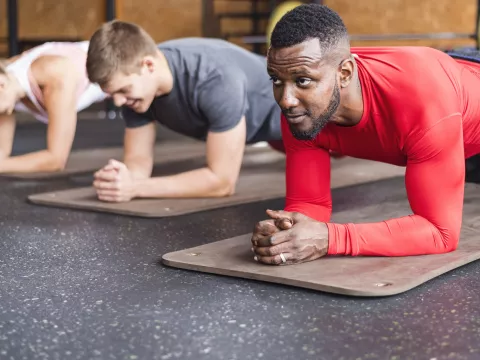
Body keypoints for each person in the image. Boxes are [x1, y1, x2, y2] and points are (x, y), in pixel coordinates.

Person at [251, 3, 480, 265]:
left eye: (302, 80)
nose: (286, 100)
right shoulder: (302, 109)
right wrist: (288, 231)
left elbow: (441, 234)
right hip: (451, 106)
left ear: (345, 73)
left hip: (453, 93)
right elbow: (309, 203)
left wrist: (330, 238)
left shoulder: (423, 101)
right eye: (276, 80)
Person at [85, 20, 285, 202]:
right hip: (268, 132)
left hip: (303, 127)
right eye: (112, 95)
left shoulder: (214, 78)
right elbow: (138, 163)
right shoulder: (136, 92)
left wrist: (136, 187)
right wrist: (120, 179)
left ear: (149, 65)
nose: (119, 102)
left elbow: (222, 182)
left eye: (123, 90)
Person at [0, 41, 107, 173]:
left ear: (1, 85)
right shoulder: (8, 85)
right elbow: (2, 152)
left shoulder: (55, 74)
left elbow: (56, 160)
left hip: (125, 60)